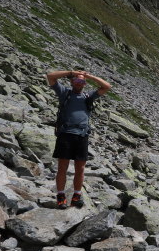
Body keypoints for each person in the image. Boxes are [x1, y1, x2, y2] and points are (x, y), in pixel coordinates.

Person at [46, 70, 111, 209]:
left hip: (82, 135)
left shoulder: (89, 96)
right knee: (62, 167)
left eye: (82, 81)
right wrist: (71, 72)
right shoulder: (65, 92)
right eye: (76, 80)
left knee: (80, 168)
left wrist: (90, 76)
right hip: (66, 134)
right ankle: (61, 196)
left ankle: (76, 196)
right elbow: (50, 76)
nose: (79, 83)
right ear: (72, 81)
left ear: (84, 83)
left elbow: (107, 86)